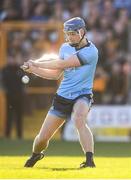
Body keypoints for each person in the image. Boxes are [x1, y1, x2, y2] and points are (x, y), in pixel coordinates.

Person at [21, 17, 98, 168]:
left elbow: (63, 63)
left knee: (79, 118)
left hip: (82, 94)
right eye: (67, 34)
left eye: (72, 33)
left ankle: (89, 161)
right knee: (42, 139)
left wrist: (36, 63)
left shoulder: (91, 51)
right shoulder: (65, 48)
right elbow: (55, 74)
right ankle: (36, 154)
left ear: (81, 32)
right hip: (62, 96)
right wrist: (33, 70)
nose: (69, 37)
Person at [2, 58, 24, 139]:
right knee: (9, 116)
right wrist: (6, 91)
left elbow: (26, 80)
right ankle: (7, 135)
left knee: (19, 116)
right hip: (9, 97)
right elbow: (2, 82)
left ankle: (19, 135)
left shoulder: (20, 69)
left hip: (19, 96)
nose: (13, 60)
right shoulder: (5, 70)